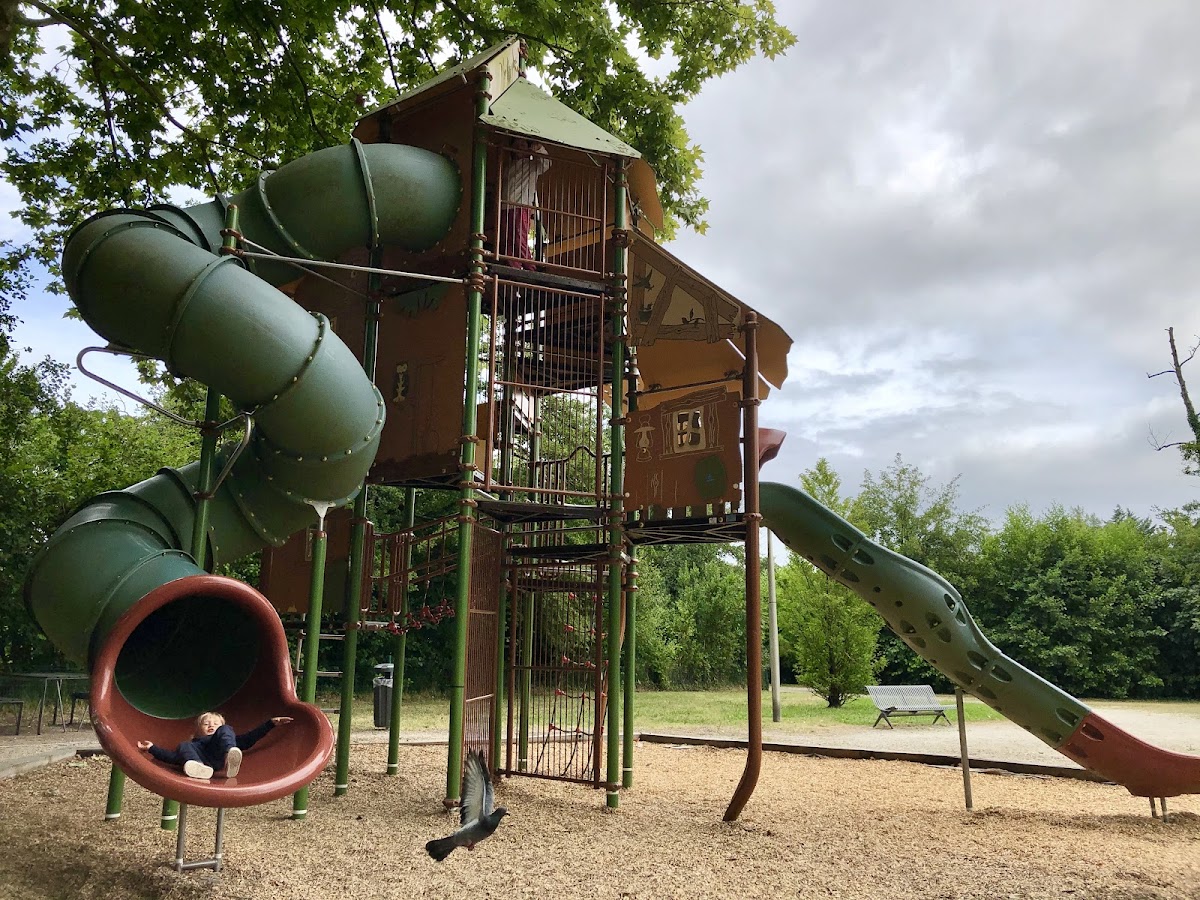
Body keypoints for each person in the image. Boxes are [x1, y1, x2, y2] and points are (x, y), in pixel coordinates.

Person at [137, 711, 293, 780]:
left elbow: (249, 739)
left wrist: (270, 724)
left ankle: (230, 755)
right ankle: (197, 767)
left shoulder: (223, 736)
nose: (211, 725)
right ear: (198, 730)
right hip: (199, 759)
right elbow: (171, 757)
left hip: (219, 754)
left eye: (215, 723)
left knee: (227, 731)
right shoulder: (193, 745)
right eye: (206, 724)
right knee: (184, 745)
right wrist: (152, 748)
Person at [499, 138, 551, 270]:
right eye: (516, 144)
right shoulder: (508, 167)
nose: (519, 147)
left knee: (519, 238)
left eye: (522, 144)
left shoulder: (533, 165)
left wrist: (539, 148)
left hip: (520, 206)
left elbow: (546, 163)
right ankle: (513, 267)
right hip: (505, 206)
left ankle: (530, 268)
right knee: (506, 240)